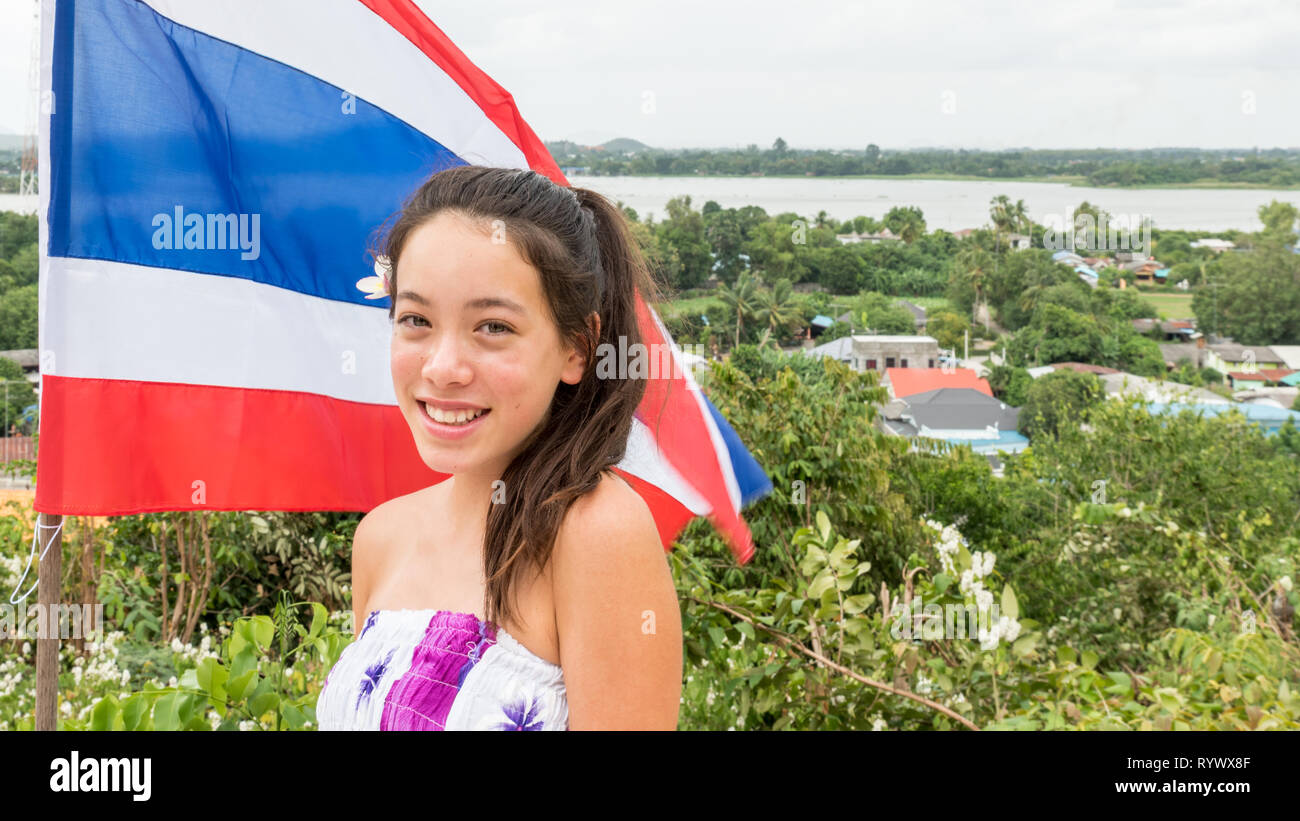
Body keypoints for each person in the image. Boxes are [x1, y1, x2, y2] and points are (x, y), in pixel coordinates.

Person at [315, 166, 682, 730]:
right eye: (416, 319)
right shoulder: (381, 536)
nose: (443, 368)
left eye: (493, 327)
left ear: (577, 349)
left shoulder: (595, 531)